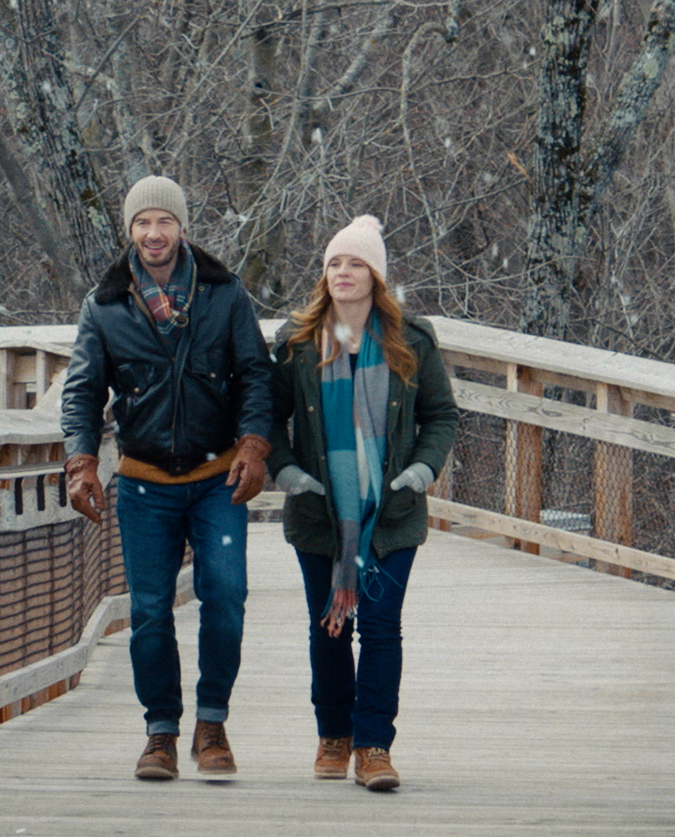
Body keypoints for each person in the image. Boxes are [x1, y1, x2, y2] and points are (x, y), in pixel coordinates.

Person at [60, 177, 275, 781]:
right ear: (130, 231)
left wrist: (254, 445)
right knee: (151, 611)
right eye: (142, 223)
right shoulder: (104, 306)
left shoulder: (224, 294)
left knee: (225, 597)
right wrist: (80, 461)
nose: (153, 234)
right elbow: (81, 392)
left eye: (164, 222)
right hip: (144, 484)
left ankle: (212, 723)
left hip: (217, 480)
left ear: (182, 227)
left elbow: (256, 375)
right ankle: (160, 731)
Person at [266, 216, 459, 793]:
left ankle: (374, 746)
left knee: (380, 628)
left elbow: (441, 415)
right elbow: (267, 417)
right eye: (334, 263)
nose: (343, 272)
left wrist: (422, 470)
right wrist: (288, 472)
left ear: (376, 275)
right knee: (327, 629)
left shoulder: (411, 341)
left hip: (391, 512)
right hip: (319, 510)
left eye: (355, 263)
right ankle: (334, 734)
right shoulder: (297, 342)